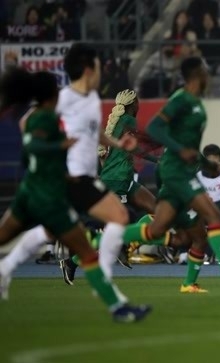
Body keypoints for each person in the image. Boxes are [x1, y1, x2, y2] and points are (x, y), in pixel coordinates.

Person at [0, 68, 150, 322]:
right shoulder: (46, 119)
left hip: (35, 189)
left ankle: (5, 270)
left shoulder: (35, 116)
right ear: (52, 95)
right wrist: (59, 146)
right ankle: (117, 305)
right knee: (88, 245)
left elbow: (31, 139)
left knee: (22, 235)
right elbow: (37, 144)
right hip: (47, 193)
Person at [122, 57, 220, 299]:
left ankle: (99, 239)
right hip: (176, 171)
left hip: (181, 170)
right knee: (215, 216)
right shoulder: (181, 99)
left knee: (163, 230)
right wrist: (179, 150)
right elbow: (155, 128)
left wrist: (209, 165)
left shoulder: (195, 103)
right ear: (198, 74)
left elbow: (190, 147)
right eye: (207, 71)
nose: (210, 76)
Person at [59, 89, 159, 283]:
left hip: (124, 179)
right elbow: (136, 147)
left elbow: (107, 154)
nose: (139, 105)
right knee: (116, 232)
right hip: (118, 180)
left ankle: (127, 246)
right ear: (132, 104)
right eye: (137, 102)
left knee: (157, 210)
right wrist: (157, 158)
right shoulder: (129, 121)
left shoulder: (115, 123)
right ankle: (73, 261)